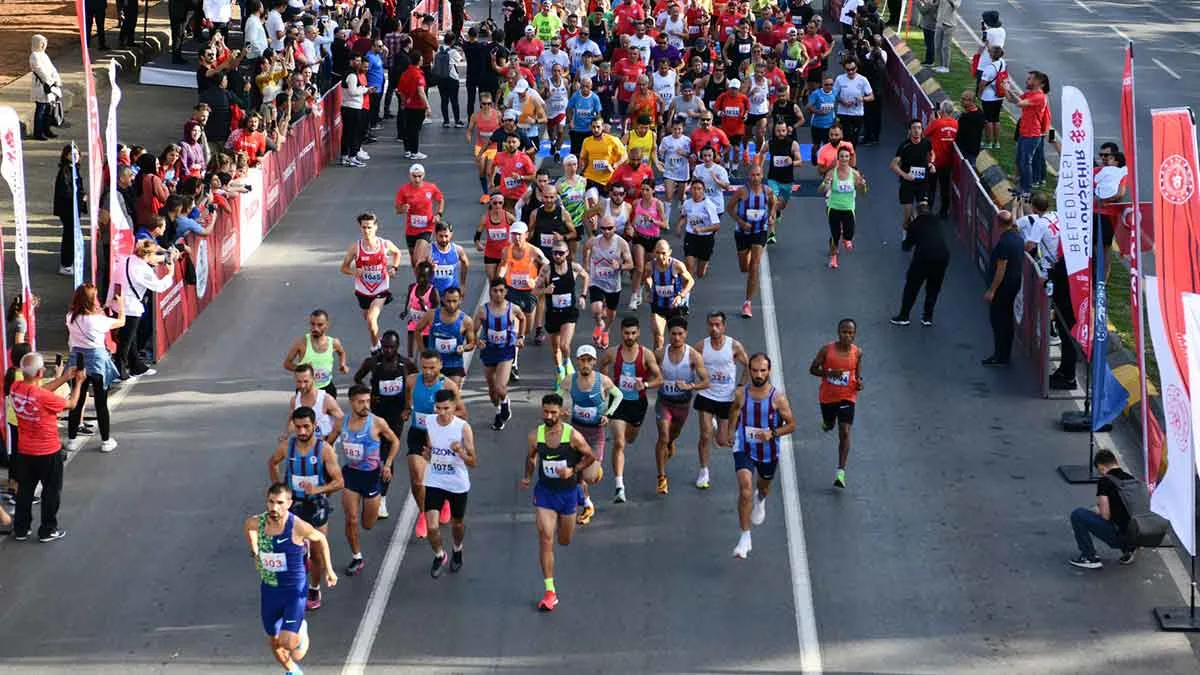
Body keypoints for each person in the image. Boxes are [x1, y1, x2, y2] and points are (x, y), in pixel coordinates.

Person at [244, 483, 337, 674]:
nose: (274, 507)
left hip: (294, 591)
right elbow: (248, 527)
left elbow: (320, 539)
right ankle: (293, 671)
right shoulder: (258, 522)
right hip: (269, 589)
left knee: (292, 647)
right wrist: (254, 551)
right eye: (271, 502)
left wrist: (329, 570)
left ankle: (300, 630)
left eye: (279, 503)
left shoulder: (297, 526)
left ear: (289, 503)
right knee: (274, 640)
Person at [520, 393, 597, 611]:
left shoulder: (572, 436)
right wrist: (527, 476)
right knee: (546, 538)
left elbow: (590, 456)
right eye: (546, 412)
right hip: (545, 493)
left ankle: (582, 496)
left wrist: (573, 469)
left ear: (562, 413)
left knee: (564, 540)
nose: (549, 416)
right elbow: (531, 456)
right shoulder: (536, 435)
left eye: (554, 412)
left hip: (567, 493)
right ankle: (550, 591)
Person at [719, 353, 797, 559]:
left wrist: (772, 433)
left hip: (768, 451)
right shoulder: (741, 394)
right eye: (754, 370)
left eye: (763, 370)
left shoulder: (777, 398)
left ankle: (760, 499)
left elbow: (792, 425)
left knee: (762, 487)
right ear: (750, 371)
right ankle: (745, 537)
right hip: (744, 447)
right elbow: (734, 411)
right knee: (744, 489)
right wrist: (730, 432)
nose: (758, 374)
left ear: (769, 371)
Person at [268, 407, 344, 610]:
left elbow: (339, 482)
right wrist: (279, 492)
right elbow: (273, 462)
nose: (301, 431)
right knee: (289, 549)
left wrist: (319, 488)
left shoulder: (324, 449)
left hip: (316, 506)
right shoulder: (287, 447)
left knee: (318, 551)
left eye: (306, 427)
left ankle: (314, 587)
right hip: (294, 506)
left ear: (314, 426)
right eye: (298, 427)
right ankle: (294, 584)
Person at [10, 353, 85, 542]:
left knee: (25, 490)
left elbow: (41, 390)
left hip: (25, 451)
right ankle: (47, 529)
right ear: (40, 372)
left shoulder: (16, 387)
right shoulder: (42, 397)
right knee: (51, 491)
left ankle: (21, 528)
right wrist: (78, 383)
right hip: (48, 451)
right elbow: (72, 404)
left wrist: (64, 378)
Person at [352, 330, 416, 520]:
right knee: (374, 452)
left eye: (391, 347)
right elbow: (358, 378)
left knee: (388, 453)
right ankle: (371, 489)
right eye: (385, 346)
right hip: (376, 412)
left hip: (396, 415)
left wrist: (408, 407)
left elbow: (414, 382)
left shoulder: (406, 364)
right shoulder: (373, 362)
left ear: (397, 347)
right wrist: (366, 396)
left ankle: (383, 499)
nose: (387, 350)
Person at [598, 316, 663, 503]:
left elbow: (660, 379)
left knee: (630, 438)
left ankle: (625, 440)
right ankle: (620, 486)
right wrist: (606, 386)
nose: (630, 336)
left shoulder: (646, 355)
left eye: (633, 333)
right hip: (617, 403)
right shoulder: (612, 353)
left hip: (637, 404)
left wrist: (646, 384)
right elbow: (603, 367)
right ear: (621, 333)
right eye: (626, 333)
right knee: (619, 442)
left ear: (639, 333)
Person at [339, 384, 401, 576]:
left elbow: (395, 441)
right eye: (360, 402)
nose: (365, 405)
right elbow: (328, 440)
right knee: (351, 519)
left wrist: (388, 464)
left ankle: (369, 518)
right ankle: (357, 557)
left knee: (368, 524)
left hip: (372, 477)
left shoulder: (377, 423)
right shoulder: (342, 422)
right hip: (351, 474)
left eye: (368, 401)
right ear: (351, 403)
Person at [405, 350, 466, 539]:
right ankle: (424, 514)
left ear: (440, 365)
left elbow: (463, 412)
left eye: (432, 367)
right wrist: (407, 409)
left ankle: (445, 500)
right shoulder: (412, 380)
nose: (428, 372)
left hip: (440, 437)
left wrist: (442, 416)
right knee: (417, 478)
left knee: (438, 475)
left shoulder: (448, 386)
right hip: (418, 433)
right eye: (424, 367)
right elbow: (408, 397)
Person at [423, 388, 477, 577]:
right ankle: (439, 554)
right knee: (432, 526)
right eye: (438, 408)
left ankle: (457, 548)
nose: (442, 412)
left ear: (454, 407)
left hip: (457, 483)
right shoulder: (429, 422)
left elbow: (473, 461)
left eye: (446, 408)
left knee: (457, 524)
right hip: (435, 479)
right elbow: (430, 449)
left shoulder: (463, 428)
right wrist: (428, 455)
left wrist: (460, 452)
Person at [65, 283, 123, 453]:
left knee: (77, 400)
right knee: (101, 402)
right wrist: (121, 305)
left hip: (78, 360)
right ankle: (105, 440)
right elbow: (122, 321)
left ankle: (72, 439)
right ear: (92, 300)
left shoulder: (70, 317)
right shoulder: (99, 320)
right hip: (98, 361)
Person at [653, 317, 709, 495]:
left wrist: (690, 386)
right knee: (662, 436)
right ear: (669, 334)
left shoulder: (693, 356)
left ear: (686, 335)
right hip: (664, 402)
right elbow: (650, 373)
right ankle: (661, 478)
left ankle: (670, 442)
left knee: (671, 436)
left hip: (682, 405)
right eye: (673, 334)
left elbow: (707, 381)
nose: (676, 337)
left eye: (680, 334)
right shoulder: (660, 354)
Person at [565, 345, 621, 524]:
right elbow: (557, 398)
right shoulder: (569, 380)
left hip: (595, 434)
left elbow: (618, 395)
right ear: (578, 361)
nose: (586, 364)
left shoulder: (603, 381)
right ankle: (588, 505)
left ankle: (595, 469)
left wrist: (608, 413)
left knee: (589, 476)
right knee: (576, 475)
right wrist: (561, 412)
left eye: (589, 360)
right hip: (576, 432)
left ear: (594, 362)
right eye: (582, 360)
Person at [809, 319, 863, 489]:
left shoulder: (857, 353)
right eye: (844, 332)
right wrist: (830, 372)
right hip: (828, 397)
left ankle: (841, 472)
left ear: (854, 335)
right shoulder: (827, 350)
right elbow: (812, 369)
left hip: (848, 396)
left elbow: (857, 374)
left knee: (845, 431)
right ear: (838, 332)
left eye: (850, 332)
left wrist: (859, 383)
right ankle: (827, 423)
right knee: (830, 424)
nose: (847, 335)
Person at [340, 212, 404, 352]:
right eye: (364, 227)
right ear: (360, 228)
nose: (367, 231)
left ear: (376, 227)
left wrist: (394, 268)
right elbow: (343, 268)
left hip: (381, 289)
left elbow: (397, 253)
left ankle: (375, 348)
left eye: (369, 227)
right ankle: (377, 341)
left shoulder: (385, 244)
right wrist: (354, 272)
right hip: (363, 290)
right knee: (370, 323)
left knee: (371, 318)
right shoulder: (355, 247)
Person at [1068, 450, 1140, 569]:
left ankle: (1089, 557)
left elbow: (1105, 515)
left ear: (1101, 467)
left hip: (1119, 536)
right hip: (1137, 534)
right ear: (1115, 462)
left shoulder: (1105, 481)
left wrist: (1096, 510)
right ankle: (1129, 549)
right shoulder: (1131, 479)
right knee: (1123, 520)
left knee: (1078, 514)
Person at [116, 239, 177, 379]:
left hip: (119, 302)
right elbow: (159, 286)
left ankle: (136, 367)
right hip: (130, 306)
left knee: (130, 339)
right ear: (148, 255)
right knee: (126, 340)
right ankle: (120, 371)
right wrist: (170, 274)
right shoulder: (143, 269)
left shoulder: (127, 259)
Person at [497, 222, 548, 380]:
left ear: (526, 235)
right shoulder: (507, 250)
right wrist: (499, 279)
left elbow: (547, 265)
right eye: (514, 234)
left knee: (526, 330)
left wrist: (537, 280)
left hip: (529, 293)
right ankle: (514, 364)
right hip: (512, 291)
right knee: (514, 327)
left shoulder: (534, 252)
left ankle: (520, 341)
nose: (516, 238)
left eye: (519, 234)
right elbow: (503, 266)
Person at [476, 278, 526, 430]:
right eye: (495, 291)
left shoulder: (513, 309)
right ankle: (499, 411)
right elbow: (473, 330)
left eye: (501, 291)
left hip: (506, 350)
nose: (498, 294)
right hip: (489, 351)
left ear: (506, 292)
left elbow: (523, 318)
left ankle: (505, 405)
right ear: (490, 292)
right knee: (492, 390)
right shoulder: (483, 310)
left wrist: (521, 337)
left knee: (500, 387)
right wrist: (478, 341)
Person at [537, 243, 589, 389]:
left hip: (569, 313)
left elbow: (586, 277)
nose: (557, 256)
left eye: (560, 253)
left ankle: (568, 364)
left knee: (564, 345)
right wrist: (545, 290)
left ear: (567, 253)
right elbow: (534, 291)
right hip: (553, 314)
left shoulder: (574, 268)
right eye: (554, 253)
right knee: (555, 349)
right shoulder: (547, 270)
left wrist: (583, 296)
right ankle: (560, 372)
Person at [892, 202, 951, 326]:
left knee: (912, 286)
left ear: (916, 214)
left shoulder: (915, 225)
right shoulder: (936, 220)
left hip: (924, 257)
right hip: (942, 256)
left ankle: (904, 316)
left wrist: (906, 232)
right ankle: (927, 317)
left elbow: (907, 246)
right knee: (934, 287)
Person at [728, 165, 775, 319]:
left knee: (754, 265)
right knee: (744, 268)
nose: (755, 178)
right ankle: (750, 273)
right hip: (742, 233)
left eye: (758, 175)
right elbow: (730, 209)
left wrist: (772, 216)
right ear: (749, 176)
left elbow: (773, 204)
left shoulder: (767, 191)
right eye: (753, 175)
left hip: (759, 232)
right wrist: (740, 222)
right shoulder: (742, 191)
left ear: (762, 176)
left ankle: (747, 303)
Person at [582, 215, 633, 349]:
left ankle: (607, 330)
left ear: (615, 228)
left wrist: (620, 266)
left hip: (613, 284)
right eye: (603, 228)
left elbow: (630, 264)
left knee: (610, 312)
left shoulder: (621, 243)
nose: (606, 231)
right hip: (596, 280)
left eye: (610, 228)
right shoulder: (594, 241)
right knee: (596, 308)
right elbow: (586, 248)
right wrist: (586, 264)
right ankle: (599, 324)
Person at [982, 211, 1023, 366]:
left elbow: (1001, 269)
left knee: (999, 322)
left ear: (998, 224)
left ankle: (1000, 356)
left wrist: (992, 290)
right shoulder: (1018, 239)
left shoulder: (1004, 243)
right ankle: (1004, 354)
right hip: (1014, 285)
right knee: (1007, 321)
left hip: (1002, 289)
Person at [416, 286, 476, 387]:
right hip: (433, 364)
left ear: (460, 300)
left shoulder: (466, 321)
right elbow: (417, 330)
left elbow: (472, 343)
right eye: (448, 301)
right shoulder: (432, 315)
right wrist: (423, 350)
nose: (451, 305)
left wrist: (464, 348)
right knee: (434, 394)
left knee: (451, 393)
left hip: (454, 364)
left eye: (454, 301)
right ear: (443, 299)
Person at [282, 309, 350, 398]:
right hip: (305, 390)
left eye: (320, 325)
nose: (315, 328)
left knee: (330, 412)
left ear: (327, 325)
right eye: (312, 324)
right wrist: (304, 370)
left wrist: (342, 364)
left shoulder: (333, 343)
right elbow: (287, 364)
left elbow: (341, 352)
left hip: (327, 388)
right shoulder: (301, 343)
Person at [818, 146, 867, 269]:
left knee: (849, 233)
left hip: (848, 208)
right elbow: (821, 190)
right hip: (833, 207)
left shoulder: (855, 174)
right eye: (842, 156)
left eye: (846, 156)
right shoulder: (831, 173)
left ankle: (846, 238)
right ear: (838, 158)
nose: (844, 159)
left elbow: (863, 192)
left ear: (850, 158)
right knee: (835, 235)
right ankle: (833, 258)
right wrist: (825, 184)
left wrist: (862, 185)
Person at [644, 239, 694, 350]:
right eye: (657, 253)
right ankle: (657, 364)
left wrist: (681, 295)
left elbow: (691, 281)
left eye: (663, 253)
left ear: (670, 252)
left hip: (674, 307)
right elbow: (647, 277)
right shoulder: (650, 266)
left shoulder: (677, 265)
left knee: (677, 340)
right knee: (658, 338)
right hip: (658, 306)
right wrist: (648, 290)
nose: (660, 257)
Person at [394, 164, 446, 271]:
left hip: (426, 228)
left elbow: (440, 199)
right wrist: (403, 209)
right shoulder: (404, 190)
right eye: (414, 176)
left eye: (419, 176)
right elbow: (397, 209)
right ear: (410, 176)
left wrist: (438, 214)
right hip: (411, 230)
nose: (417, 179)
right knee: (414, 262)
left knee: (418, 258)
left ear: (423, 175)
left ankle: (425, 278)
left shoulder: (430, 187)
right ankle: (422, 281)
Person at [761, 120, 803, 245]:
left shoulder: (793, 144)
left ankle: (778, 211)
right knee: (772, 202)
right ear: (774, 131)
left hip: (787, 181)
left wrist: (792, 162)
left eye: (783, 131)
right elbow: (761, 154)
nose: (780, 133)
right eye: (778, 131)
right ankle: (772, 234)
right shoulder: (770, 143)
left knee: (782, 205)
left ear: (787, 131)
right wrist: (759, 168)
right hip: (773, 179)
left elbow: (800, 162)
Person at [891, 118, 935, 235]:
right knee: (908, 215)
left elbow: (932, 153)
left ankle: (920, 236)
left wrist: (931, 163)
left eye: (919, 128)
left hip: (922, 182)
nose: (917, 131)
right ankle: (905, 232)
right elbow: (893, 165)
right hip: (908, 184)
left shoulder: (926, 143)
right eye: (914, 128)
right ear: (910, 130)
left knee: (923, 212)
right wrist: (905, 176)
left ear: (922, 130)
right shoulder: (904, 146)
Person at [677, 177, 722, 280]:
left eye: (699, 189)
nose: (696, 191)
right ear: (690, 190)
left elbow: (717, 226)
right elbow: (683, 215)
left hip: (706, 239)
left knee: (700, 274)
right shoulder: (687, 203)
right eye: (694, 189)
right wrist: (679, 226)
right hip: (691, 237)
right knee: (689, 266)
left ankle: (704, 264)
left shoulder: (709, 205)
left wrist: (702, 230)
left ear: (703, 190)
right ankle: (686, 291)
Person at [289, 364, 345, 445]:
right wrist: (287, 435)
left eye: (305, 381)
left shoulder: (326, 399)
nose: (302, 385)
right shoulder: (294, 400)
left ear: (313, 379)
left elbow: (343, 422)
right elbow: (292, 420)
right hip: (304, 447)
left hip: (325, 450)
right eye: (299, 381)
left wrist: (328, 443)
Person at [53, 145, 85, 276]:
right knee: (69, 236)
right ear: (65, 155)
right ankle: (66, 264)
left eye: (77, 154)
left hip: (72, 208)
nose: (75, 156)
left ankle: (69, 262)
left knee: (71, 235)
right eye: (72, 154)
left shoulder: (74, 168)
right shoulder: (65, 171)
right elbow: (66, 192)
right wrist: (79, 197)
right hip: (68, 209)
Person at [402, 262, 440, 359]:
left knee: (426, 354)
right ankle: (412, 368)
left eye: (424, 277)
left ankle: (425, 369)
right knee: (411, 355)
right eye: (419, 276)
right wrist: (405, 311)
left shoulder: (433, 292)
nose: (421, 279)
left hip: (427, 328)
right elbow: (408, 299)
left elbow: (436, 312)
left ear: (430, 276)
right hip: (414, 324)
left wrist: (425, 307)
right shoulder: (412, 287)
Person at [398, 53, 431, 159]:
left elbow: (401, 90)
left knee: (408, 128)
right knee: (415, 129)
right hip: (417, 105)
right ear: (419, 61)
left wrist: (404, 101)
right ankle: (415, 151)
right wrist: (427, 106)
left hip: (408, 105)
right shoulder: (418, 74)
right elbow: (421, 91)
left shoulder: (405, 73)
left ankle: (407, 150)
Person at [29, 35, 63, 141]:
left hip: (50, 87)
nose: (43, 45)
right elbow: (40, 70)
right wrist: (50, 81)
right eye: (41, 43)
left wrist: (57, 79)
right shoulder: (34, 55)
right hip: (41, 86)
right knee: (41, 109)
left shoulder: (43, 55)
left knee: (48, 109)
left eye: (44, 43)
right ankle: (38, 132)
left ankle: (46, 130)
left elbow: (52, 68)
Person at [429, 221, 470, 298]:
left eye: (446, 236)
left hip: (451, 293)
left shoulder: (457, 250)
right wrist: (428, 267)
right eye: (441, 236)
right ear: (435, 234)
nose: (444, 239)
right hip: (433, 293)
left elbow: (465, 263)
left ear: (451, 234)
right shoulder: (429, 250)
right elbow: (419, 268)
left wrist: (462, 284)